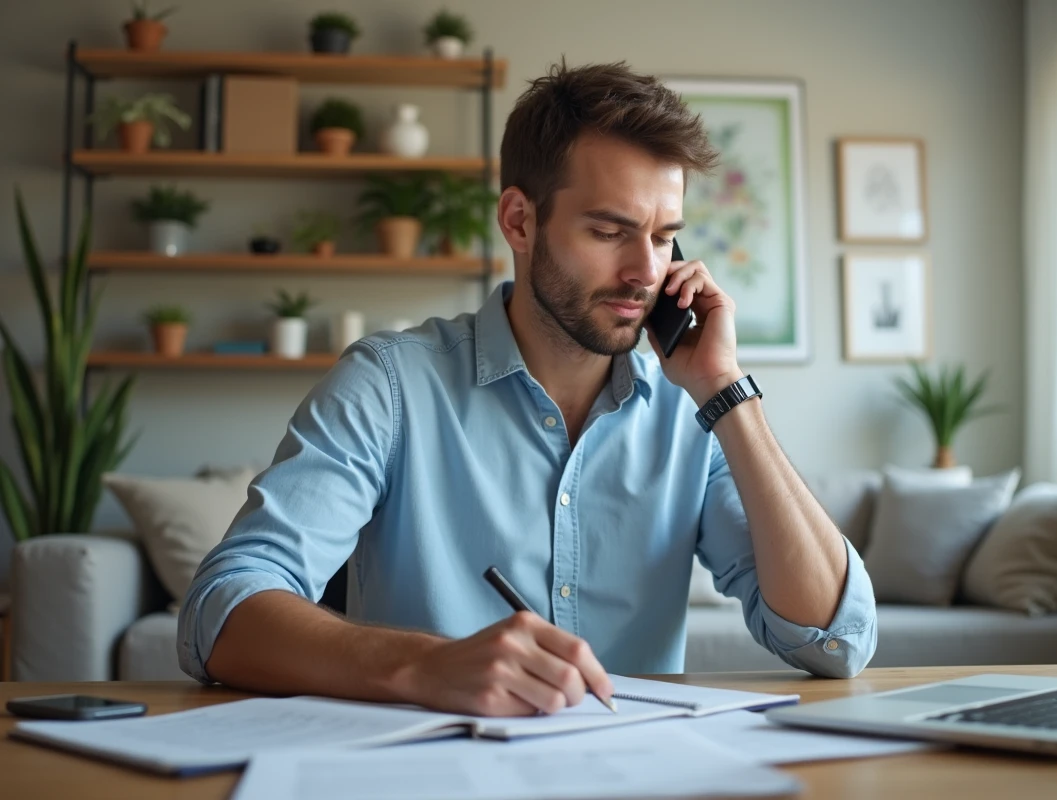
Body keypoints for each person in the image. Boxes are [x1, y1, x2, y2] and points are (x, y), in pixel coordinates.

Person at [177, 58, 877, 717]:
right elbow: (222, 609)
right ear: (519, 220)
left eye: (666, 238)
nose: (645, 271)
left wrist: (725, 389)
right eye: (610, 231)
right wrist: (425, 665)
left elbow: (833, 640)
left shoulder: (692, 412)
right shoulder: (388, 386)